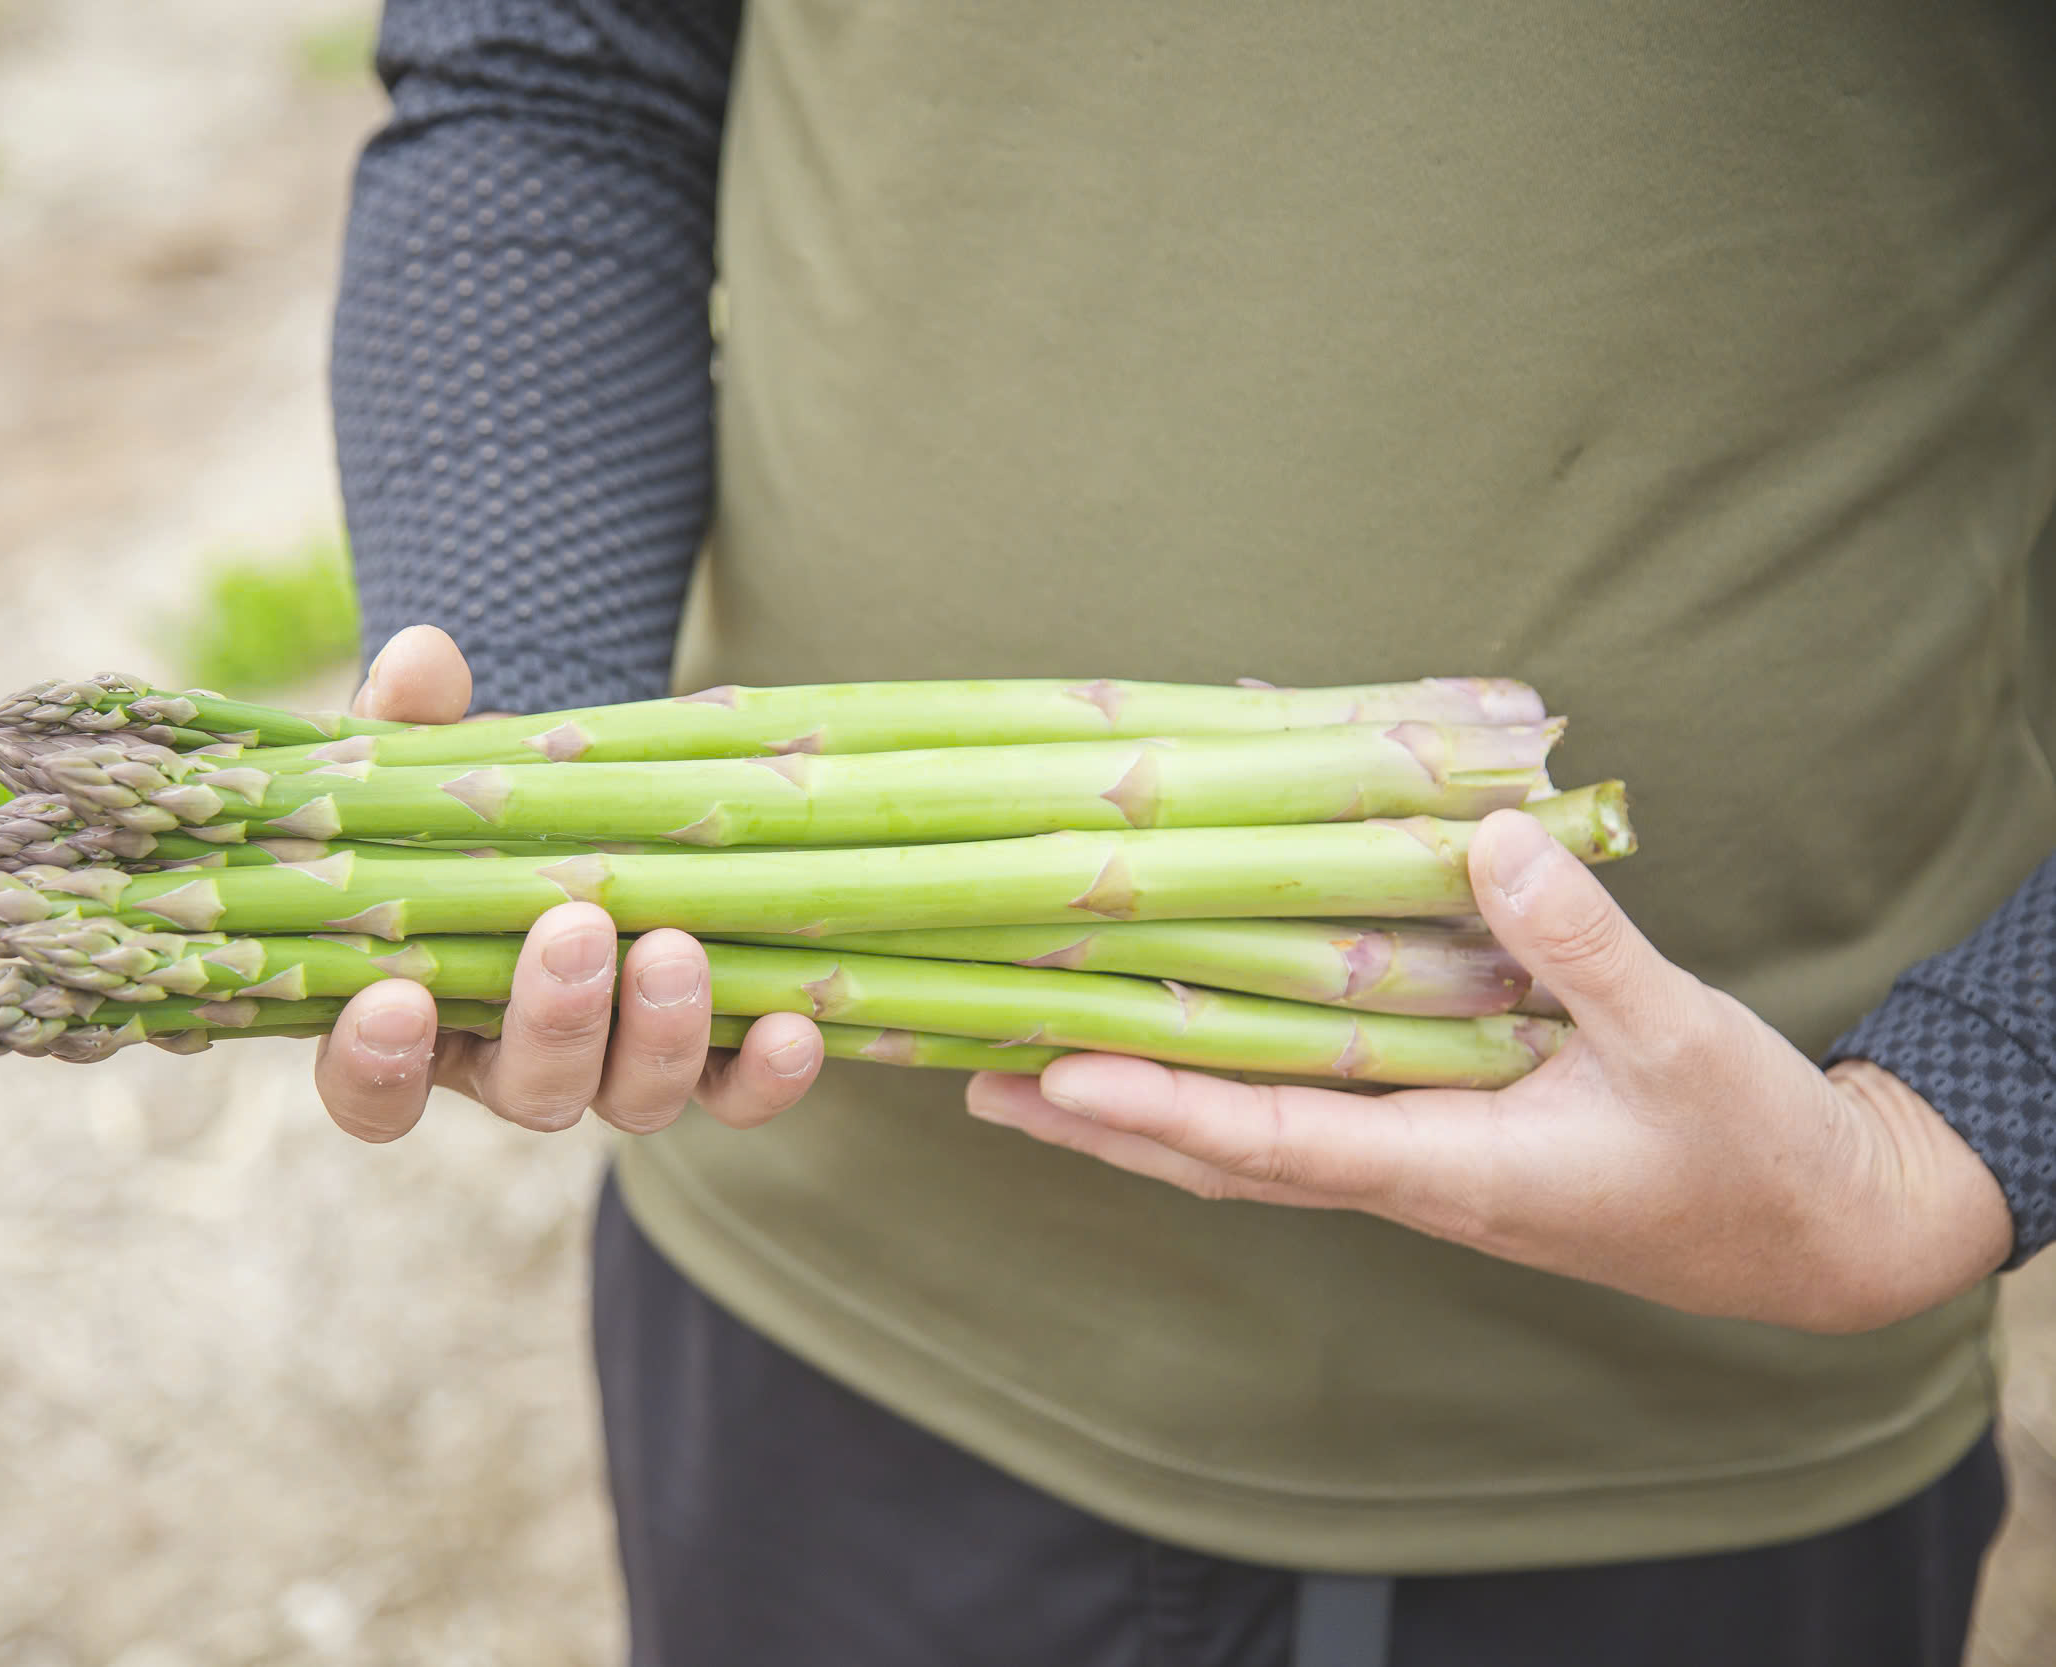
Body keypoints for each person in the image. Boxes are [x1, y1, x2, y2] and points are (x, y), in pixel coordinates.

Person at [317, 4, 2056, 1663]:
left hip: (1693, 1439)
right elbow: (558, 74)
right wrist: (534, 773)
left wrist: (1953, 1130)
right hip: (821, 1301)